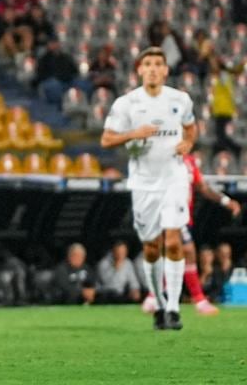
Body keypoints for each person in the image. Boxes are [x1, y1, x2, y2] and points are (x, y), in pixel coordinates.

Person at [101, 47, 197, 331]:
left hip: (174, 178)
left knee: (173, 240)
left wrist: (188, 144)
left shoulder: (180, 100)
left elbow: (191, 129)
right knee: (152, 249)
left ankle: (174, 308)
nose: (153, 68)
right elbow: (106, 140)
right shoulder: (126, 104)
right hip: (144, 184)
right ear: (139, 70)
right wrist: (133, 134)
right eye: (148, 64)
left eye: (158, 63)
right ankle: (157, 298)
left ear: (166, 70)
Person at [148, 153, 243, 316]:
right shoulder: (163, 155)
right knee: (186, 251)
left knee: (175, 253)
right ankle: (198, 300)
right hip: (167, 212)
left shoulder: (190, 161)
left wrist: (225, 201)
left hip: (184, 216)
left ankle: (155, 297)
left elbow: (202, 187)